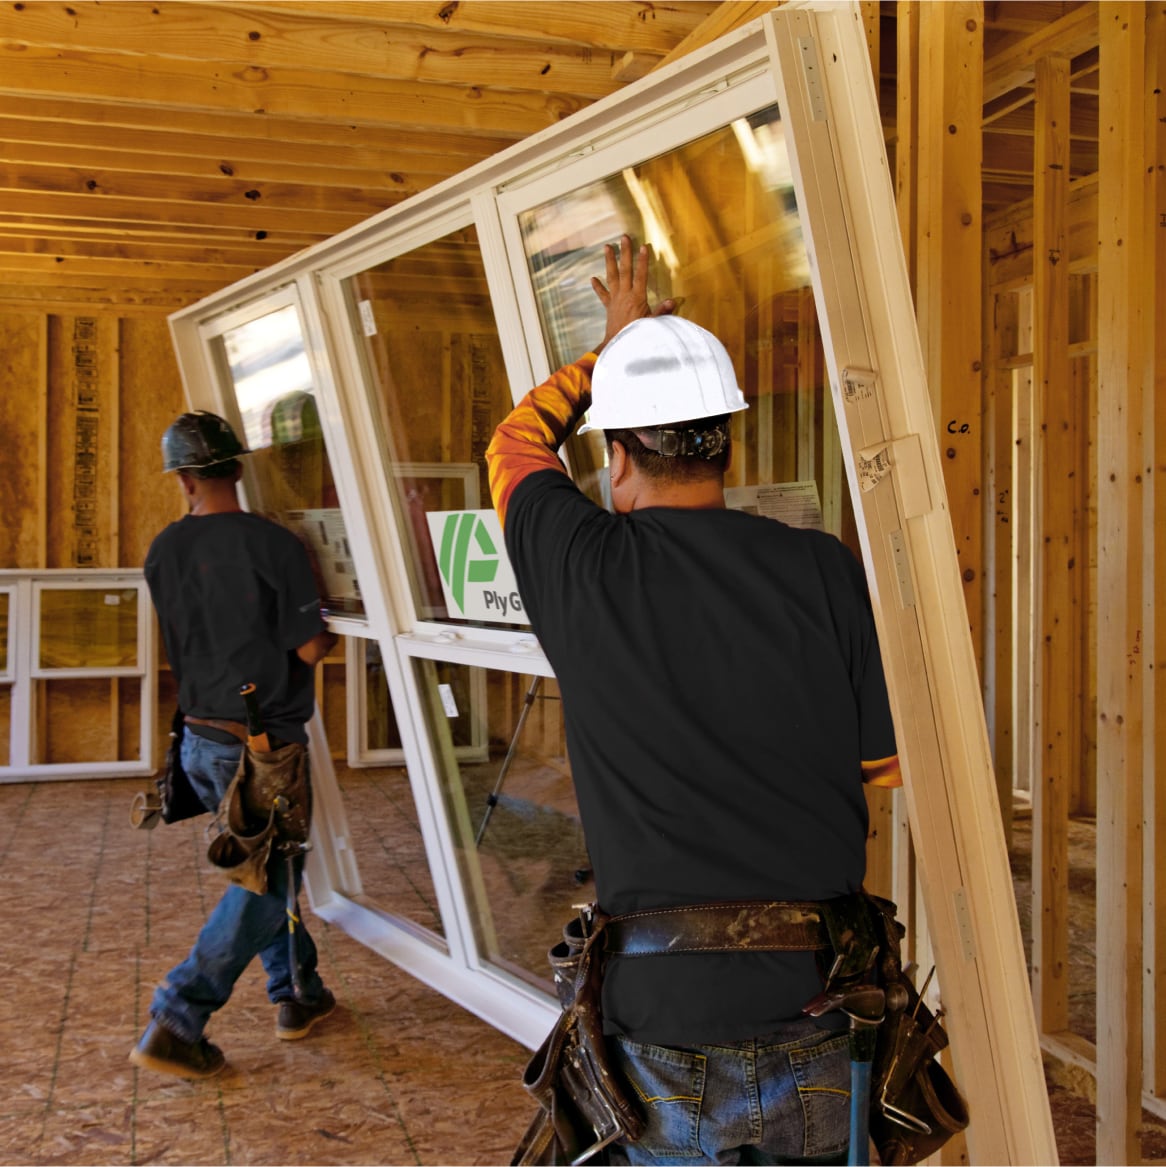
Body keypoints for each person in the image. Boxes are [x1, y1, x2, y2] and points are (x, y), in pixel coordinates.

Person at [486, 237, 902, 1165]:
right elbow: (888, 765)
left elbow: (514, 443)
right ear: (726, 437)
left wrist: (615, 349)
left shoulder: (584, 567)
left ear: (620, 451)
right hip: (822, 1005)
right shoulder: (821, 565)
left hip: (661, 1021)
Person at [130, 410, 338, 1080]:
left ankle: (296, 992)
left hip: (196, 737)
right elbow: (309, 645)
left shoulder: (162, 550)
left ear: (182, 478)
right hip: (262, 747)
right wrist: (326, 630)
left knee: (273, 870)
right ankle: (179, 1012)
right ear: (238, 468)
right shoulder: (274, 545)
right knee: (266, 882)